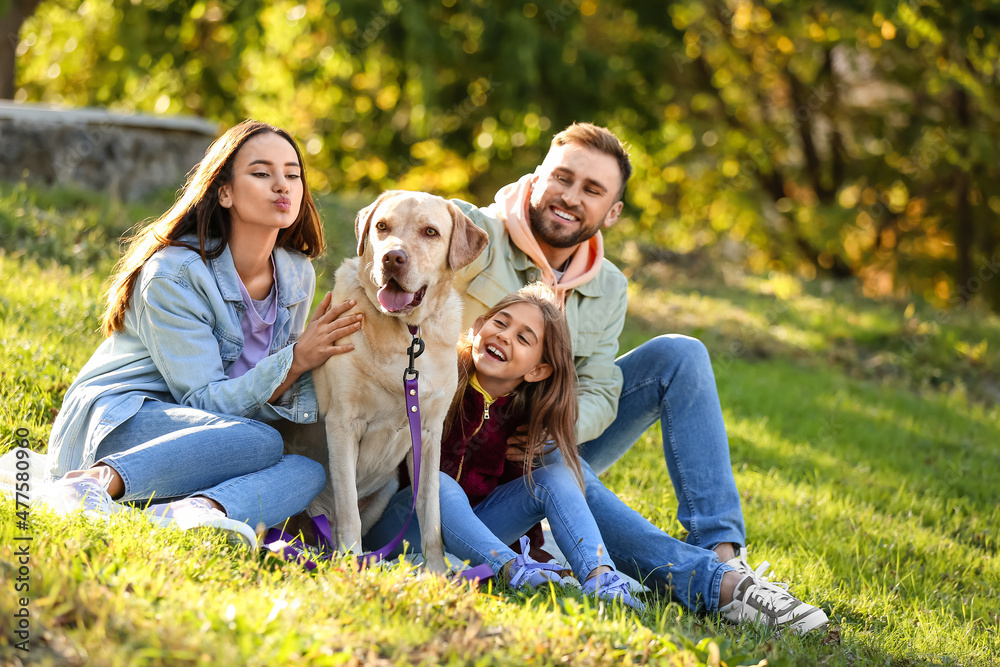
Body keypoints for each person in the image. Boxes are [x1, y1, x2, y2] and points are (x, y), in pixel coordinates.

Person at [440, 122, 828, 632]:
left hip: (537, 445)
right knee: (554, 462)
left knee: (679, 355)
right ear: (535, 179)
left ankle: (724, 555)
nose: (571, 197)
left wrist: (547, 428)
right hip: (453, 437)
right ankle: (714, 586)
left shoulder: (608, 286)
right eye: (562, 178)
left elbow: (600, 389)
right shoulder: (469, 232)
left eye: (592, 190)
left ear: (612, 212)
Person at [41, 120, 361, 547]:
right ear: (224, 191)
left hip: (217, 441)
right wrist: (298, 358)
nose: (282, 186)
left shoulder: (297, 275)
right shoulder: (173, 274)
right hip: (122, 419)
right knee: (260, 442)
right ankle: (94, 482)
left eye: (293, 174)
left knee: (309, 471)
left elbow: (272, 394)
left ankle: (193, 513)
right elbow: (203, 400)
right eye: (262, 173)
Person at [364, 283, 643, 610]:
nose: (505, 336)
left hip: (473, 536)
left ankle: (601, 580)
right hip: (399, 528)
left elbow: (517, 490)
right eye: (500, 323)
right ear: (479, 326)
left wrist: (535, 547)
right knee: (438, 484)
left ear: (538, 370)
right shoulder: (433, 376)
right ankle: (511, 569)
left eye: (524, 338)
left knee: (557, 476)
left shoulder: (524, 418)